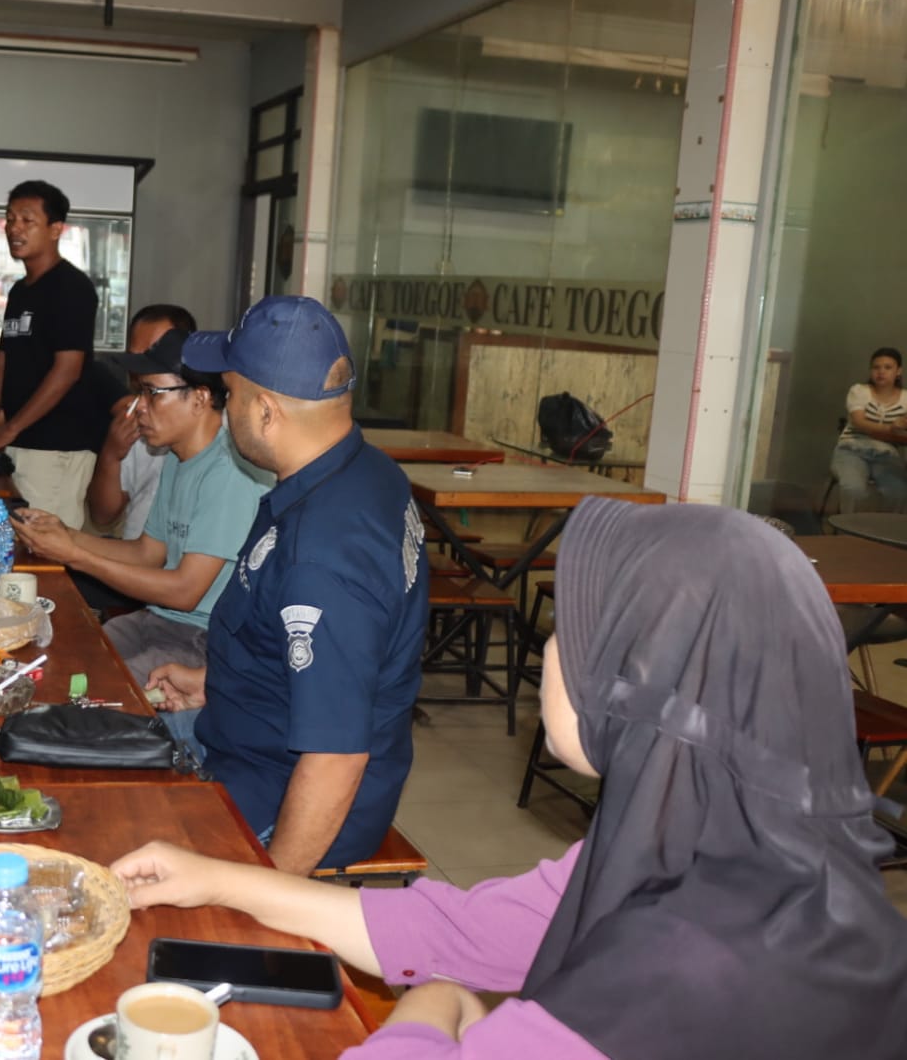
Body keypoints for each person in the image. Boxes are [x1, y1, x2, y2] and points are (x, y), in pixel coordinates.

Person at [112, 499, 907, 1059]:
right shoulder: (718, 851)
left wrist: (429, 1011)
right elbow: (456, 931)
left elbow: (450, 985)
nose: (549, 651)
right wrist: (214, 877)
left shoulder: (682, 966)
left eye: (571, 631)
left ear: (632, 685)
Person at [146, 296, 428, 874]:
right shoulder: (362, 471)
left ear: (266, 412)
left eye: (229, 394)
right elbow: (323, 658)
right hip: (254, 737)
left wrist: (268, 895)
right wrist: (218, 684)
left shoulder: (322, 560)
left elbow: (333, 760)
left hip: (280, 792)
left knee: (111, 842)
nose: (224, 408)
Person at [12, 329, 272, 685]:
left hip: (203, 640)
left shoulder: (229, 472)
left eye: (152, 393)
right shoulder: (177, 458)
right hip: (159, 620)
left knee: (99, 685)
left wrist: (75, 555)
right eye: (139, 392)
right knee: (60, 659)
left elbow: (185, 592)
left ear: (199, 398)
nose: (139, 408)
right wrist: (65, 534)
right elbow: (148, 553)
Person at [0, 180, 100, 528]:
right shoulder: (20, 290)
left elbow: (68, 369)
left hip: (56, 446)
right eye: (10, 219)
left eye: (26, 220)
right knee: (20, 539)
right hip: (22, 439)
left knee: (49, 544)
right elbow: (4, 361)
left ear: (56, 229)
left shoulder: (72, 288)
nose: (14, 228)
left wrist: (9, 429)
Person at [85, 303, 199, 539]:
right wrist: (110, 455)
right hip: (135, 550)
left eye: (152, 355)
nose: (139, 369)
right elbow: (103, 516)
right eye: (134, 358)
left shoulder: (221, 445)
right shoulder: (137, 415)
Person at [830, 346, 907, 513]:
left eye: (888, 367)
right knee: (853, 489)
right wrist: (892, 429)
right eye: (876, 367)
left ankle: (887, 528)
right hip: (852, 448)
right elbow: (859, 422)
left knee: (899, 492)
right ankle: (849, 527)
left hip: (887, 454)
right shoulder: (859, 391)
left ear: (898, 371)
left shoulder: (905, 399)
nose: (881, 372)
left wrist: (897, 433)